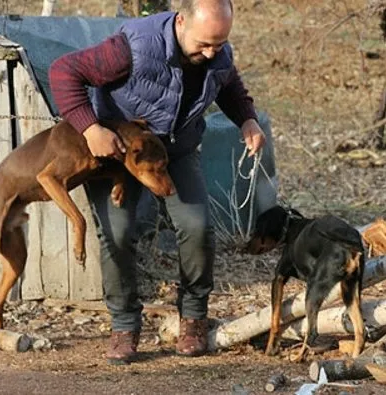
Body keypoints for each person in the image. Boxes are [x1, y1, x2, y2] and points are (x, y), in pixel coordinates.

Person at [48, 0, 266, 364]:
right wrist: (90, 128)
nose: (212, 52)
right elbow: (63, 71)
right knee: (116, 233)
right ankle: (124, 324)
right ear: (181, 22)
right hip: (120, 151)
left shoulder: (218, 52)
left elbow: (228, 83)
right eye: (205, 44)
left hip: (176, 152)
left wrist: (247, 119)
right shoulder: (132, 48)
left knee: (196, 227)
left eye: (220, 43)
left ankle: (194, 316)